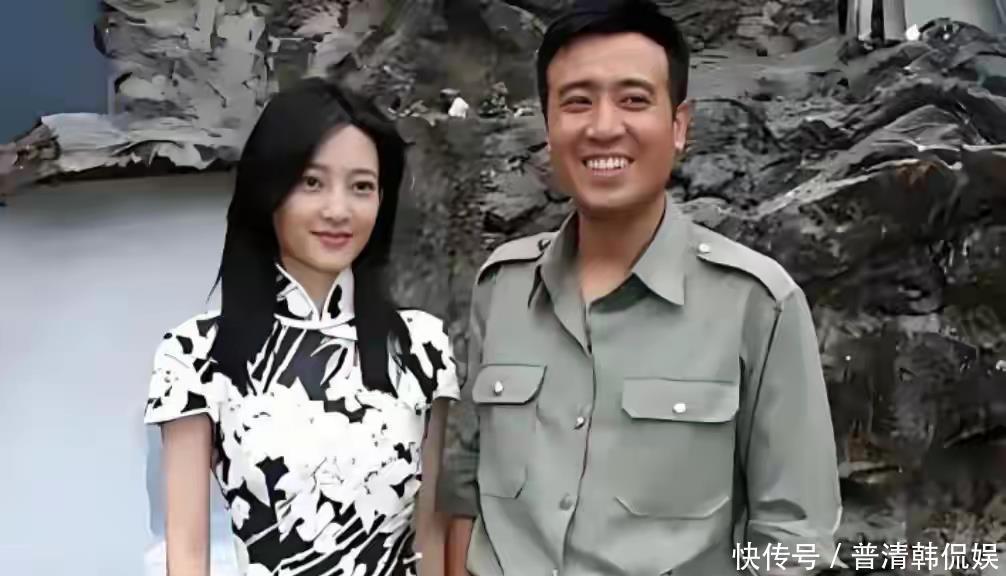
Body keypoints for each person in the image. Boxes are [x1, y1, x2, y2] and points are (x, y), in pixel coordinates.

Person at [437, 1, 843, 575]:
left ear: (679, 126)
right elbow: (467, 478)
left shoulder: (757, 304)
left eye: (633, 100)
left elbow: (795, 535)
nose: (604, 127)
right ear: (548, 124)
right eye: (577, 101)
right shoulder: (501, 287)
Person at [144, 78, 459, 576]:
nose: (338, 210)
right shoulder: (196, 355)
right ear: (268, 190)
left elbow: (431, 539)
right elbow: (185, 555)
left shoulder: (422, 346)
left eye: (361, 187)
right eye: (312, 182)